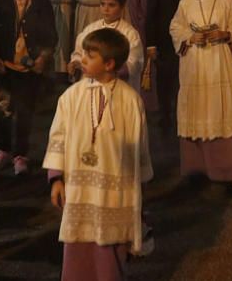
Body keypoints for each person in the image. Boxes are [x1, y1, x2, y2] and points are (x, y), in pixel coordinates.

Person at [44, 27, 152, 281]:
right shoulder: (71, 96)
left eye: (90, 56)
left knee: (111, 246)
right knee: (78, 242)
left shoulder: (129, 100)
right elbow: (58, 135)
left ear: (109, 63)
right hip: (79, 185)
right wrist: (56, 177)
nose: (82, 60)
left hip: (115, 188)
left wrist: (140, 184)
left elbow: (139, 144)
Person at [169, 0, 232, 184]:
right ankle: (196, 169)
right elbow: (175, 28)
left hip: (219, 62)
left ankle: (222, 170)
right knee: (195, 107)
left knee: (218, 108)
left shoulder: (227, 1)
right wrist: (190, 37)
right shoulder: (186, 3)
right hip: (194, 62)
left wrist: (225, 34)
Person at [0, 0, 57, 175]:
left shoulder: (41, 4)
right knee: (2, 109)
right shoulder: (2, 3)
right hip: (5, 66)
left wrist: (43, 57)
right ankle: (4, 149)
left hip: (30, 67)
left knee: (25, 111)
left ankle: (20, 154)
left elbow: (51, 34)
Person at [144, 0, 194, 134]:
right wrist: (151, 44)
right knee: (165, 81)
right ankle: (166, 117)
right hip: (164, 41)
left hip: (190, 39)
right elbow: (152, 14)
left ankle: (185, 116)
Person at [69, 0, 143, 91]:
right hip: (91, 86)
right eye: (102, 4)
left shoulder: (130, 34)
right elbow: (79, 53)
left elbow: (133, 64)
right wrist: (75, 63)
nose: (105, 9)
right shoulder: (91, 29)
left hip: (117, 88)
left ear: (122, 7)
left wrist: (103, 70)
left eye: (111, 5)